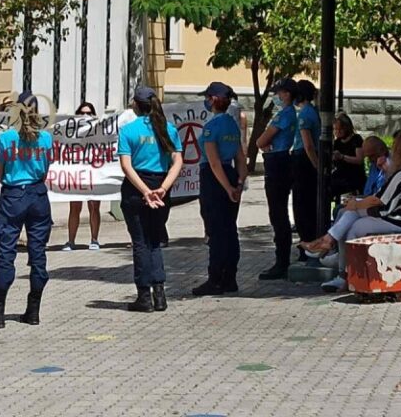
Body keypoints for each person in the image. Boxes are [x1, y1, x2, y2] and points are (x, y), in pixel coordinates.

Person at [0, 91, 54, 329]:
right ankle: (33, 310)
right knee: (38, 254)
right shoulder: (45, 139)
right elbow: (45, 171)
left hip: (13, 195)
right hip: (37, 196)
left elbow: (0, 174)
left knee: (6, 252)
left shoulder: (5, 139)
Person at [301, 131, 401, 293]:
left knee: (354, 225)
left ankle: (339, 263)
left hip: (395, 219)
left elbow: (379, 200)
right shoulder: (397, 173)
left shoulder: (400, 174)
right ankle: (333, 250)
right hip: (391, 215)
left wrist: (356, 205)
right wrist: (355, 204)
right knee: (346, 214)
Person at [117, 86, 183, 312]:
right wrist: (163, 188)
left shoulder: (128, 130)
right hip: (161, 185)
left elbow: (126, 166)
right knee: (155, 240)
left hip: (137, 188)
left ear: (135, 105)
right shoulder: (168, 129)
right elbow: (178, 161)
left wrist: (145, 191)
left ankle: (144, 296)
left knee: (140, 241)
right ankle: (160, 294)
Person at [192, 82, 248, 296]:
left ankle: (214, 280)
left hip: (215, 179)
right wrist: (238, 185)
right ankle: (230, 278)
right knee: (230, 230)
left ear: (213, 99)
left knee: (216, 231)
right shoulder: (232, 125)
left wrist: (226, 188)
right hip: (232, 176)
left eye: (207, 97)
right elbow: (240, 158)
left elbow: (214, 163)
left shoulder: (211, 127)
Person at [255, 78, 298, 280]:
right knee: (278, 213)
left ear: (287, 94)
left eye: (279, 93)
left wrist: (262, 142)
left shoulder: (284, 115)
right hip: (281, 160)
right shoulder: (292, 114)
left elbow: (261, 140)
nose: (277, 97)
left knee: (278, 213)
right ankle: (282, 259)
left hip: (277, 163)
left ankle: (281, 262)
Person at [62, 102, 102, 251]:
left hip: (94, 174)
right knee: (74, 207)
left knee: (94, 207)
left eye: (89, 113)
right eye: (82, 113)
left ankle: (94, 239)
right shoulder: (71, 133)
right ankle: (71, 240)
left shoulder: (99, 132)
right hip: (76, 175)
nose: (85, 116)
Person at [291, 80, 321, 249]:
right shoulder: (313, 112)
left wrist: (315, 165)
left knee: (302, 203)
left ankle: (306, 241)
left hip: (303, 160)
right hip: (308, 160)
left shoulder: (304, 114)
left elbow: (308, 145)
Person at [331, 113, 366, 198]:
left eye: (340, 129)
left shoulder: (356, 139)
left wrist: (342, 157)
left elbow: (359, 159)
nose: (337, 132)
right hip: (340, 174)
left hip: (353, 176)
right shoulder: (337, 142)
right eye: (335, 129)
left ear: (346, 128)